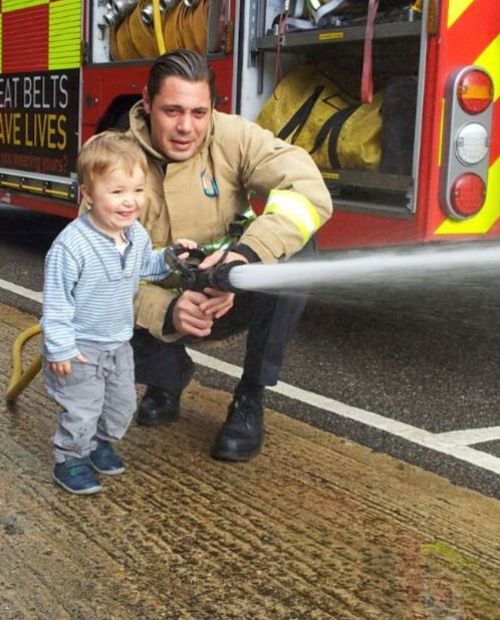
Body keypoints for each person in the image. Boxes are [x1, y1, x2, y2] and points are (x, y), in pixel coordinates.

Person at [128, 49, 333, 461]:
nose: (187, 127)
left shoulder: (234, 136)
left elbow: (308, 188)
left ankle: (250, 397)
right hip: (151, 315)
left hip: (229, 295)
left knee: (300, 252)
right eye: (171, 111)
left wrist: (246, 258)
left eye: (199, 112)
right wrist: (166, 310)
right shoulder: (112, 162)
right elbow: (91, 275)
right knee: (87, 331)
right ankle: (166, 378)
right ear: (147, 103)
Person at [42, 131, 196, 495]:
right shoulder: (71, 246)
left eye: (138, 190)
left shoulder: (135, 235)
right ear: (88, 195)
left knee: (120, 405)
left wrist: (172, 256)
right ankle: (70, 459)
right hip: (80, 348)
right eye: (117, 192)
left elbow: (149, 267)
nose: (130, 202)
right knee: (82, 410)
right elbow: (56, 302)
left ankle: (100, 443)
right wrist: (61, 348)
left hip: (118, 343)